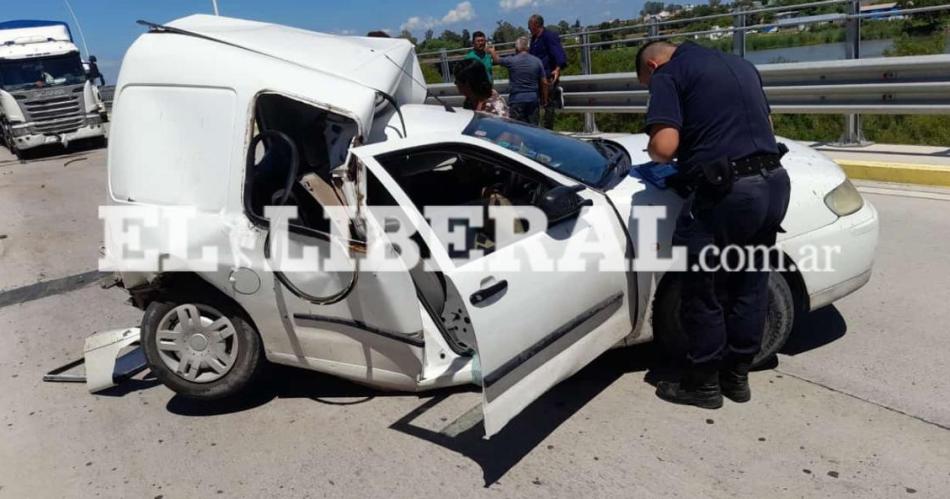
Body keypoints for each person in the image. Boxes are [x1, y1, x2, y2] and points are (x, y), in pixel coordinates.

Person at [637, 40, 792, 409]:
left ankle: (703, 384)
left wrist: (660, 145)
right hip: (774, 184)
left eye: (646, 84)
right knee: (749, 283)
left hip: (728, 192)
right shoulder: (741, 64)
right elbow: (766, 125)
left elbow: (663, 147)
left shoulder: (669, 74)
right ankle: (737, 378)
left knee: (703, 289)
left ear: (652, 67)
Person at [489, 36, 547, 125]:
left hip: (517, 99)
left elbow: (497, 60)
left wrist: (492, 51)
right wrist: (544, 99)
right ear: (528, 47)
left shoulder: (511, 60)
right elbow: (544, 82)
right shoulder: (537, 61)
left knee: (517, 129)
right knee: (533, 128)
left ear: (516, 48)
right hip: (533, 98)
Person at [527, 14, 566, 129]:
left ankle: (548, 130)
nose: (528, 28)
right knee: (536, 105)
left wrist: (557, 69)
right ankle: (536, 129)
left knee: (548, 105)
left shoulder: (549, 36)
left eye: (530, 26)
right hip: (536, 78)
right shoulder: (534, 39)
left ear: (536, 25)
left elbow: (559, 54)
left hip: (548, 77)